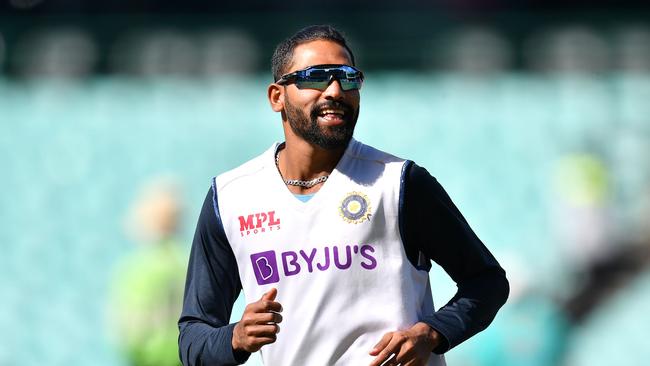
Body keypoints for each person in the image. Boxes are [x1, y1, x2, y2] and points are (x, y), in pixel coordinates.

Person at [178, 25, 509, 366]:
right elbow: (193, 339)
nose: (336, 90)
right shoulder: (231, 197)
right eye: (316, 77)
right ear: (277, 96)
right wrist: (235, 338)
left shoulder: (399, 182)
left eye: (348, 78)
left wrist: (432, 333)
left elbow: (486, 283)